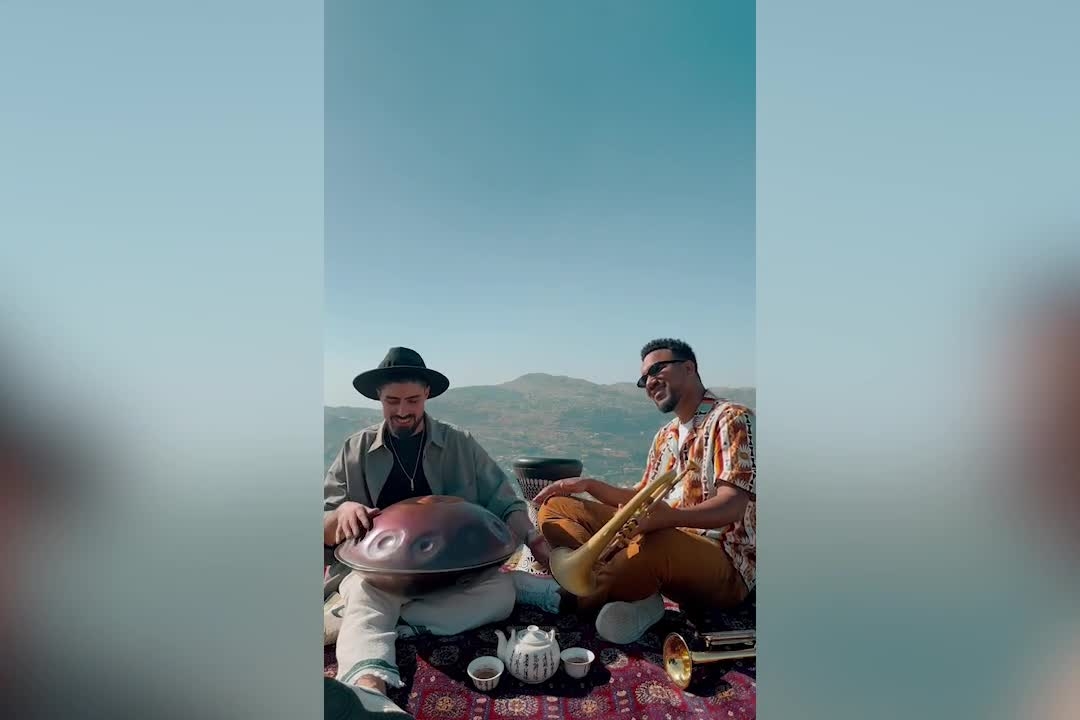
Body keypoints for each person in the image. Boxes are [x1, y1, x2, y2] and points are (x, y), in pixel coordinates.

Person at [323, 347, 550, 696]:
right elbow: (322, 526)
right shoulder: (355, 450)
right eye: (392, 401)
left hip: (451, 577)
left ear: (427, 394)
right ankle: (368, 689)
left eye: (413, 400)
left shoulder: (459, 443)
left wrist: (534, 541)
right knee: (365, 592)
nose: (402, 411)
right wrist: (341, 513)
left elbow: (505, 503)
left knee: (501, 594)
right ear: (378, 397)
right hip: (378, 578)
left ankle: (389, 624)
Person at [513, 338, 756, 645]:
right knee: (557, 508)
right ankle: (639, 595)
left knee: (654, 542)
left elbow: (732, 505)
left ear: (689, 368)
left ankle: (563, 597)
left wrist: (668, 518)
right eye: (643, 379)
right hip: (665, 539)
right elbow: (642, 495)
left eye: (657, 370)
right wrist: (589, 486)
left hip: (725, 562)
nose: (649, 382)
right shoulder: (665, 436)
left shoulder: (731, 417)